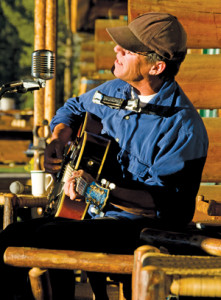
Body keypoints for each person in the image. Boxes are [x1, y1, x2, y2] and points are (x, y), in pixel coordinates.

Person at [0, 12, 208, 300]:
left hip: (135, 229)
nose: (116, 50)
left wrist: (95, 191)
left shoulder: (183, 128)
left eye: (128, 49)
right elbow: (72, 109)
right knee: (10, 238)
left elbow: (167, 206)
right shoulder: (117, 89)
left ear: (157, 66)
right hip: (88, 216)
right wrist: (58, 138)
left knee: (47, 238)